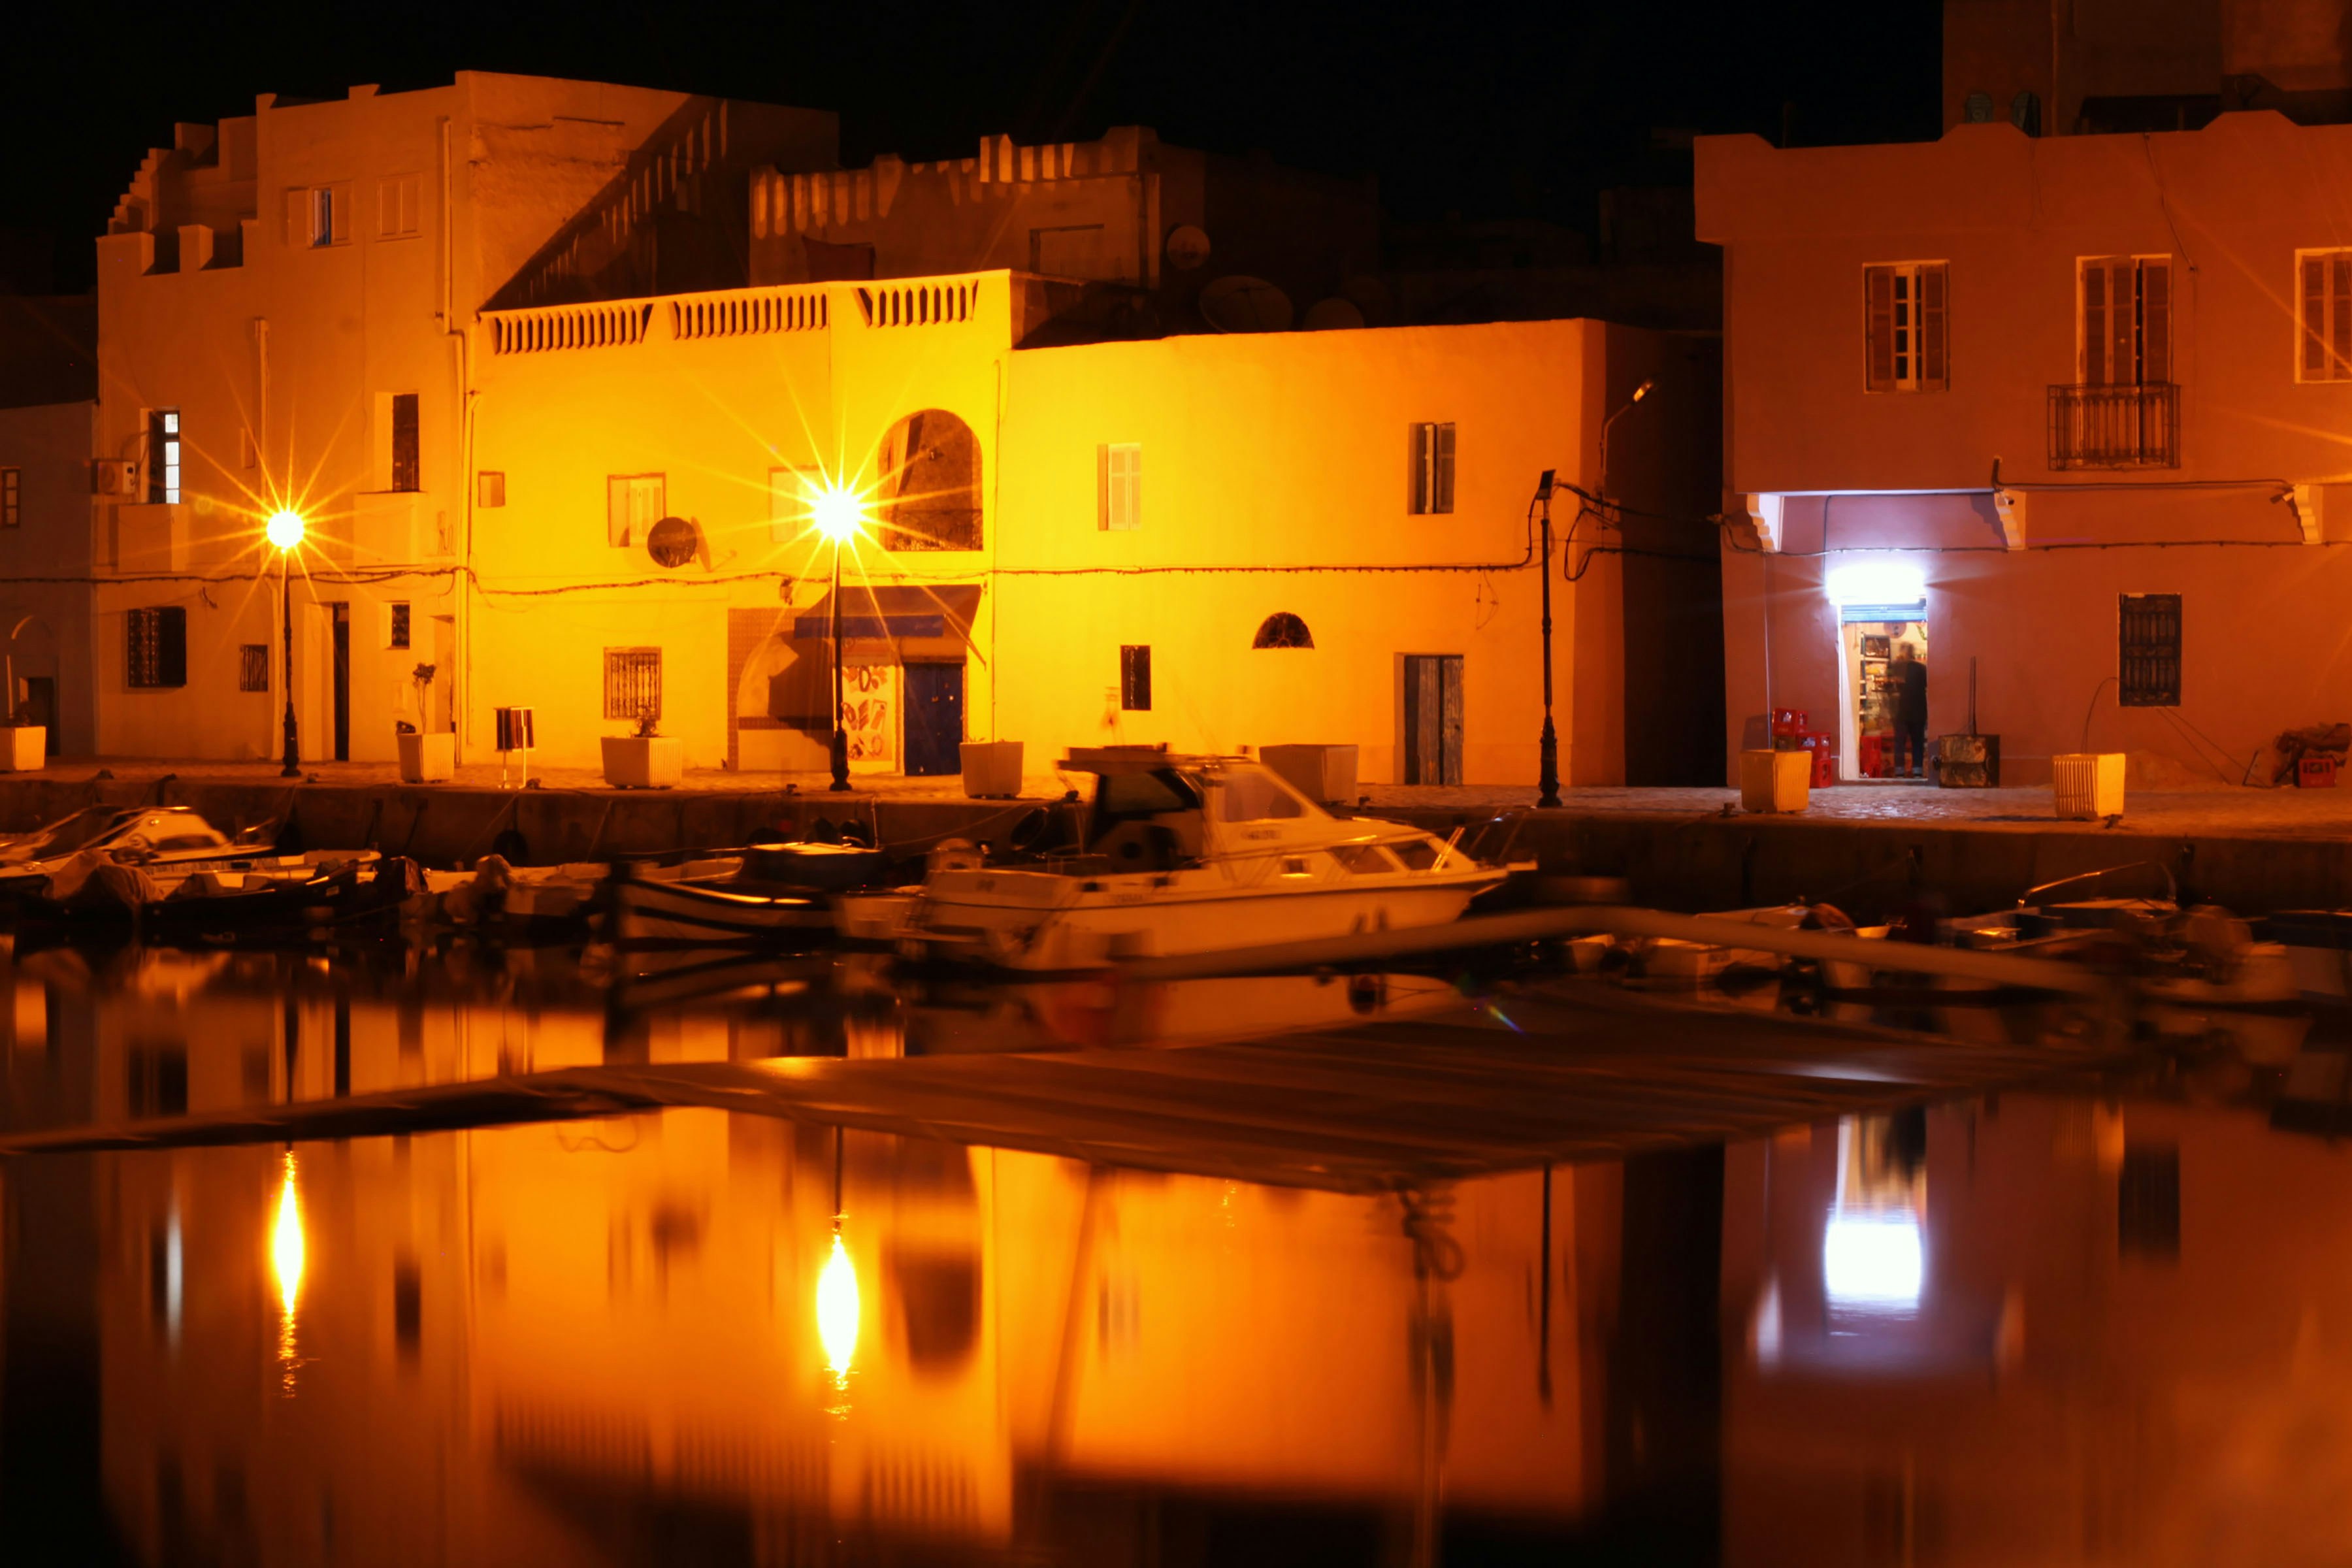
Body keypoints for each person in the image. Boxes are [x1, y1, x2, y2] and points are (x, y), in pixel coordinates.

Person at [1890, 643, 1929, 779]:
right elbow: (1927, 686)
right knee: (1917, 742)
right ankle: (1917, 771)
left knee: (1900, 743)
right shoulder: (1922, 668)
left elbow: (1889, 686)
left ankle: (1899, 771)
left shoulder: (1897, 667)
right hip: (1919, 712)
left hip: (1901, 712)